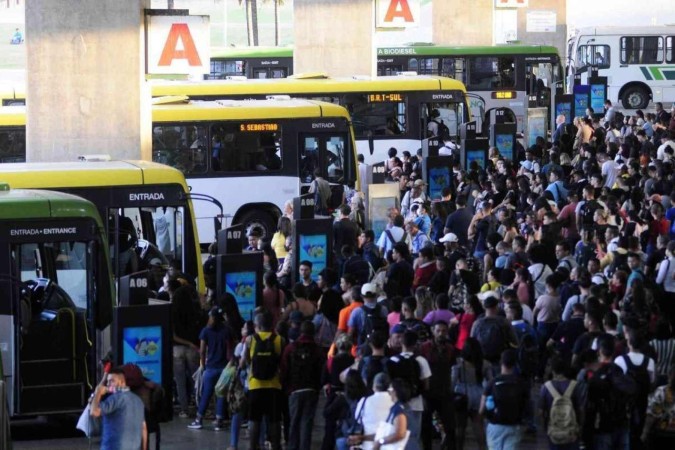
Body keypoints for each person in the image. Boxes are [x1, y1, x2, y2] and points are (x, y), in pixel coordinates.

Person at [241, 311, 284, 450]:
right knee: (274, 420)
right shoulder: (279, 340)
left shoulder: (250, 340)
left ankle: (253, 446)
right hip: (274, 385)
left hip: (255, 385)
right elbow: (282, 362)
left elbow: (244, 362)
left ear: (256, 325)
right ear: (272, 325)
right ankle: (276, 445)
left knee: (254, 419)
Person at [280, 320, 325, 450]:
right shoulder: (317, 350)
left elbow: (284, 369)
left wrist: (285, 387)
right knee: (307, 423)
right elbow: (321, 371)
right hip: (311, 390)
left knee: (293, 422)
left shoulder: (290, 348)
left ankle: (292, 447)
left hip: (294, 391)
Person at [188, 307, 232, 431]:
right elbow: (230, 348)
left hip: (210, 367)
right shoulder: (226, 330)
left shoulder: (206, 331)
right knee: (221, 394)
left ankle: (199, 419)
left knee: (206, 394)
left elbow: (202, 351)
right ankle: (219, 420)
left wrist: (202, 364)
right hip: (223, 368)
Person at [386, 330, 432, 449]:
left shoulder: (392, 360)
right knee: (413, 436)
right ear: (416, 344)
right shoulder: (421, 360)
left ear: (401, 342)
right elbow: (426, 385)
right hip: (416, 404)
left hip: (397, 404)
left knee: (396, 436)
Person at [480, 349, 529, 450]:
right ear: (515, 364)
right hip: (514, 426)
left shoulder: (492, 383)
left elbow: (481, 410)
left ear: (501, 363)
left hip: (495, 426)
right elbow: (527, 407)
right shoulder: (522, 383)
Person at [419, 320, 457, 450]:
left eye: (444, 331)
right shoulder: (424, 348)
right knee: (426, 427)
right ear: (433, 331)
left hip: (444, 391)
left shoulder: (450, 349)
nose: (441, 334)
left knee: (450, 426)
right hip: (428, 392)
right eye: (438, 331)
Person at [90, 367, 147, 450]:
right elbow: (144, 428)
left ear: (122, 382)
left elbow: (94, 412)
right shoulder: (138, 401)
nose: (108, 384)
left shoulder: (115, 399)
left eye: (111, 381)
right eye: (108, 381)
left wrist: (98, 392)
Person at [171, 285, 203, 419]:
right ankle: (200, 406)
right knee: (196, 379)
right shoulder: (194, 311)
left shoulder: (172, 312)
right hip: (193, 350)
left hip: (177, 350)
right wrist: (191, 343)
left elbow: (173, 336)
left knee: (180, 381)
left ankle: (184, 409)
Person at [539, 356, 583, 449]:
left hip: (554, 432)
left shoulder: (546, 387)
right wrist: (580, 426)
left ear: (552, 370)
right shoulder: (575, 385)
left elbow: (541, 412)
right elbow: (580, 409)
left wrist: (545, 428)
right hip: (571, 431)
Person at [346, 373, 394, 450]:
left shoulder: (365, 401)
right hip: (390, 445)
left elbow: (358, 419)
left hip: (368, 444)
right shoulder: (395, 403)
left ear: (374, 386)